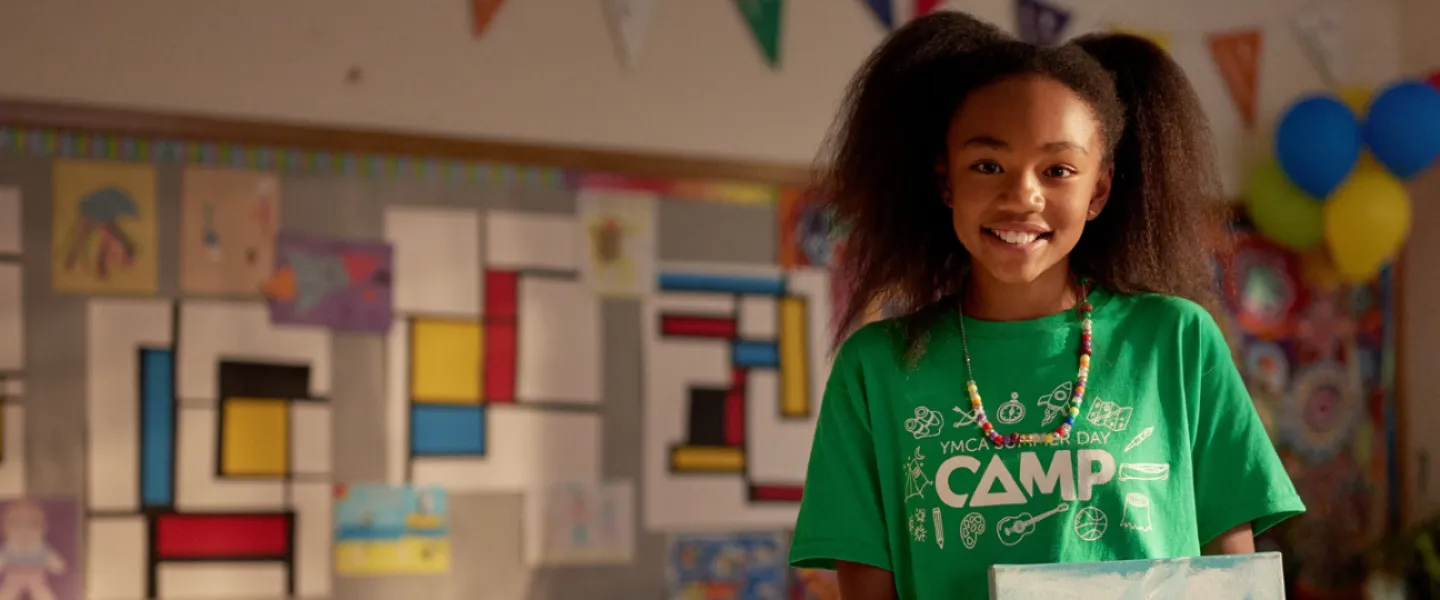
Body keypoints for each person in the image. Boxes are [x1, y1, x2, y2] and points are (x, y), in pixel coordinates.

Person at [788, 12, 1305, 600]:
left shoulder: (1176, 339)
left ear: (1099, 190)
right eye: (988, 165)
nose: (1022, 196)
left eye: (1058, 170)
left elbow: (1233, 582)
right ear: (946, 181)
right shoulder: (875, 368)